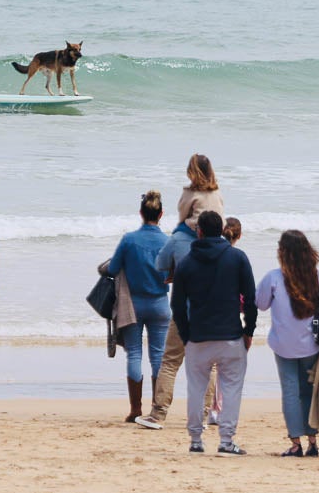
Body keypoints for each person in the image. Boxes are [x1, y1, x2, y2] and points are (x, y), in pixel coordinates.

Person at [171, 209, 255, 456]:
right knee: (231, 388)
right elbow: (250, 299)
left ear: (199, 231)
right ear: (221, 231)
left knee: (196, 388)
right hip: (230, 335)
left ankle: (196, 440)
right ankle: (226, 441)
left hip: (198, 336)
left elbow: (177, 305)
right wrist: (248, 330)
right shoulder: (237, 258)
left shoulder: (186, 263)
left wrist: (186, 335)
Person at [256, 230, 319, 457]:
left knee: (290, 391)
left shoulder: (274, 278)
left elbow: (261, 303)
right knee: (308, 391)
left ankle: (296, 444)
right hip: (311, 344)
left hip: (283, 344)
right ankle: (313, 441)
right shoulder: (317, 276)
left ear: (283, 253)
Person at [135, 201, 201, 430]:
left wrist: (175, 269)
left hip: (184, 309)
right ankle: (203, 415)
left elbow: (160, 264)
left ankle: (158, 414)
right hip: (211, 311)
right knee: (208, 365)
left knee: (170, 362)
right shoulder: (218, 242)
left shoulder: (178, 239)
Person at [108, 191, 171, 423]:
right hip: (160, 304)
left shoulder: (129, 239)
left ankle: (135, 409)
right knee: (158, 356)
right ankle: (156, 410)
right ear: (161, 214)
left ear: (141, 213)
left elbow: (113, 268)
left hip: (133, 303)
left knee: (134, 353)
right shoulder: (168, 241)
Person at [176, 154, 224, 231]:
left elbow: (182, 215)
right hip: (219, 228)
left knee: (179, 228)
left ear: (191, 173)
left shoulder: (190, 192)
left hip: (198, 228)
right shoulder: (216, 191)